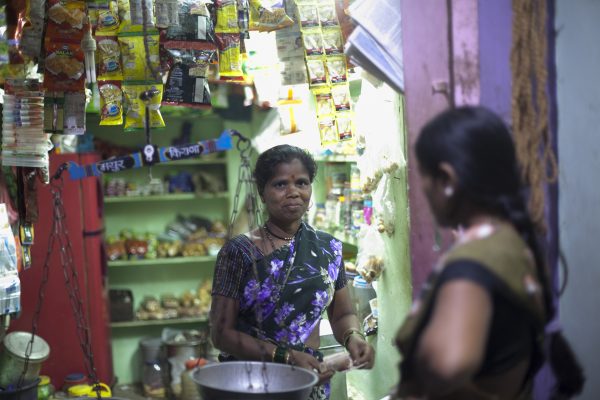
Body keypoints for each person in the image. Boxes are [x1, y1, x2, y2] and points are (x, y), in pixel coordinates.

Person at [394, 107, 584, 399]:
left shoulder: (472, 262)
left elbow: (448, 364)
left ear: (446, 180)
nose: (422, 190)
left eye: (423, 177)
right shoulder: (515, 241)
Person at [210, 144, 375, 399]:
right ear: (262, 192)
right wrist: (285, 357)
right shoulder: (238, 252)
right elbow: (221, 334)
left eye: (302, 182)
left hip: (310, 382)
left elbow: (343, 313)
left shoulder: (329, 248)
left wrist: (354, 337)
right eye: (280, 184)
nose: (293, 192)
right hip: (253, 383)